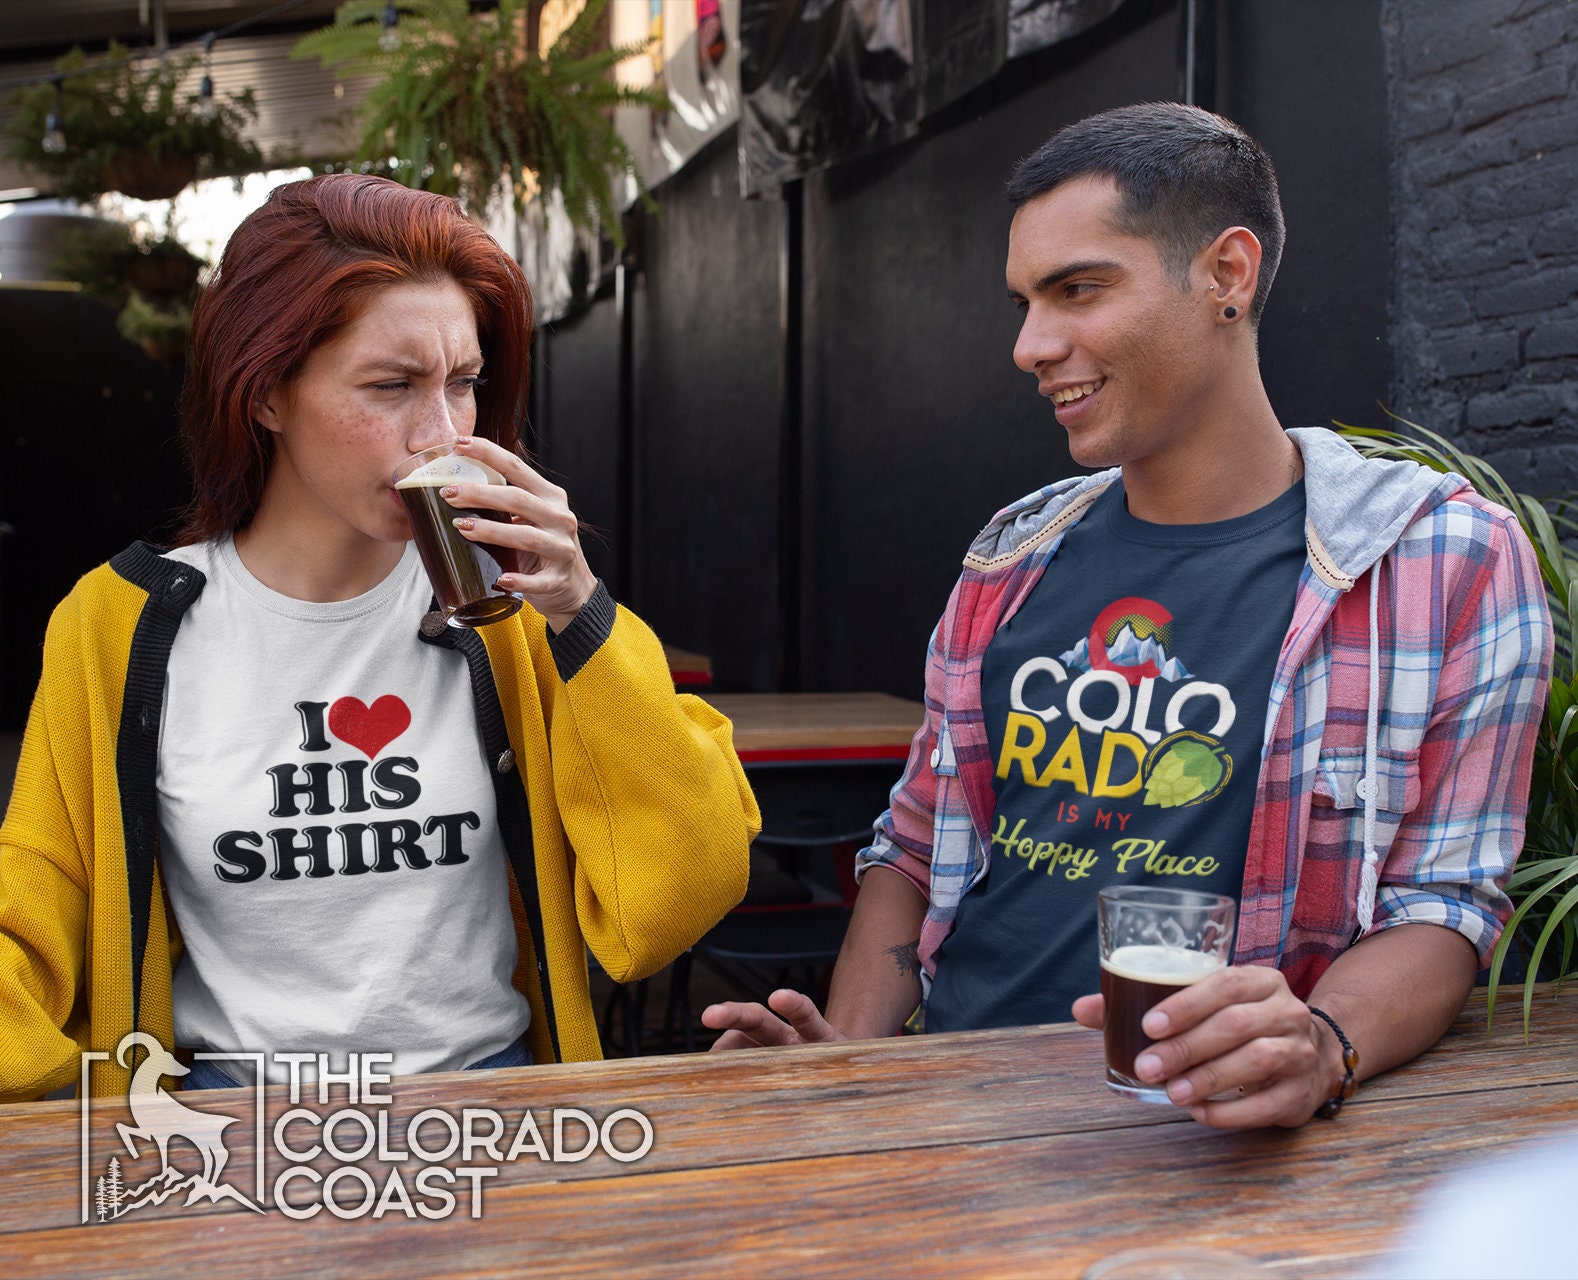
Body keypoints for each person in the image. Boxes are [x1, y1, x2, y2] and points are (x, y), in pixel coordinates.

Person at [702, 102, 1552, 1129]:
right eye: (1024, 302)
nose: (1030, 344)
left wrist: (1322, 1044)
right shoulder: (1012, 557)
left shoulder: (1440, 561)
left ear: (1227, 274)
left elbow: (1443, 901)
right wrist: (847, 1067)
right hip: (956, 1108)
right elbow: (916, 844)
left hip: (1211, 1133)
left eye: (1078, 289)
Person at [0, 174, 758, 1102]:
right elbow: (36, 898)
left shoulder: (509, 614)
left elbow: (684, 891)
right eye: (392, 386)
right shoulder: (123, 623)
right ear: (265, 394)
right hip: (235, 1119)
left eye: (464, 384)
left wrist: (583, 612)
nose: (438, 434)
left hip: (491, 1105)